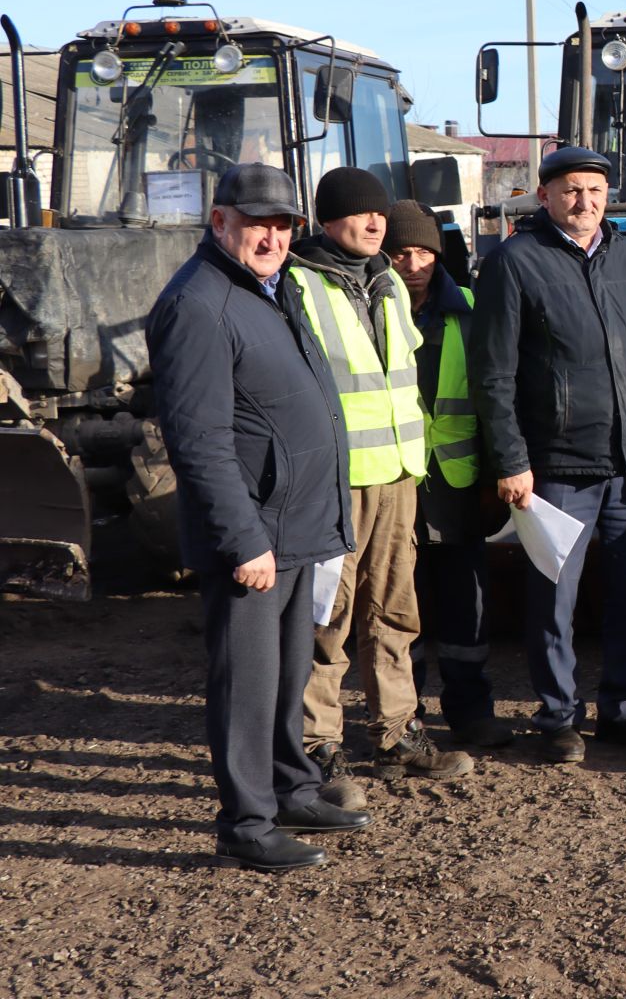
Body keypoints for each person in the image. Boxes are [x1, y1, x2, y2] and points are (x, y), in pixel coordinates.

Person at [147, 163, 366, 871]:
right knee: (245, 682)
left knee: (286, 672)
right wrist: (243, 538)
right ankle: (247, 823)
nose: (271, 235)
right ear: (219, 223)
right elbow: (199, 439)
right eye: (255, 223)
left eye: (282, 224)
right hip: (255, 537)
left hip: (295, 525)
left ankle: (292, 785)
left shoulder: (273, 288)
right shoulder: (199, 305)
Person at [469, 145, 626, 764]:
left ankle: (623, 711)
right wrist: (511, 459)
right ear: (545, 197)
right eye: (569, 191)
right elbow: (494, 374)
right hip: (556, 468)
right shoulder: (516, 262)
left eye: (594, 190)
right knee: (553, 600)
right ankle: (558, 717)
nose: (583, 201)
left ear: (607, 194)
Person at [289, 169, 473, 795]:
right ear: (326, 219)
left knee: (394, 613)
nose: (374, 224)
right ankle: (317, 749)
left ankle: (396, 733)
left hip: (397, 475)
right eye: (359, 214)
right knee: (326, 621)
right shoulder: (298, 284)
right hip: (332, 484)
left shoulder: (388, 281)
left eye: (378, 216)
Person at [384, 201, 510, 750]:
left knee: (465, 607)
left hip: (457, 488)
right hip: (393, 484)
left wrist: (496, 473)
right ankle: (403, 715)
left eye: (423, 252)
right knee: (397, 608)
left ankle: (470, 712)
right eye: (400, 253)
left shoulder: (473, 311)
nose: (413, 264)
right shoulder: (367, 310)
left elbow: (494, 397)